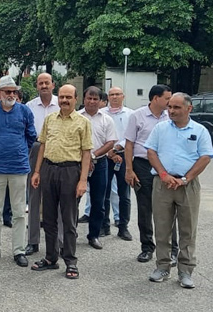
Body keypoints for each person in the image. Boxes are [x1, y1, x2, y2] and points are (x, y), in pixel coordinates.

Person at [144, 93, 213, 289]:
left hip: (187, 185)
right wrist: (164, 175)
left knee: (187, 229)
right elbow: (151, 151)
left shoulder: (200, 131)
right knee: (162, 227)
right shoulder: (160, 128)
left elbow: (205, 157)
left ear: (189, 108)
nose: (171, 111)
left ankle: (185, 271)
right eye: (170, 107)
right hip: (162, 182)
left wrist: (185, 179)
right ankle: (162, 267)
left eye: (176, 107)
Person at [30, 84, 92, 279]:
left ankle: (71, 261)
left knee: (69, 219)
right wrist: (37, 171)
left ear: (76, 99)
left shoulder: (83, 122)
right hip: (49, 169)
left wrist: (83, 181)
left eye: (68, 97)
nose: (64, 100)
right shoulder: (50, 119)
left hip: (70, 172)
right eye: (62, 97)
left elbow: (86, 153)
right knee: (48, 218)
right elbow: (43, 146)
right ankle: (50, 258)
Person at [0, 77, 37, 267]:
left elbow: (31, 135)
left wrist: (18, 150)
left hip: (19, 167)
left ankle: (18, 250)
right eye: (7, 91)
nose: (11, 95)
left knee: (19, 211)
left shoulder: (25, 111)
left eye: (14, 92)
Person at [124, 85, 178, 264]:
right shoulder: (137, 116)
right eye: (167, 99)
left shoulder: (170, 117)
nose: (170, 103)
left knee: (169, 208)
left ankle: (172, 249)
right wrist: (129, 169)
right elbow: (129, 144)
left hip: (165, 166)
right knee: (145, 208)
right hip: (142, 166)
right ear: (156, 98)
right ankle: (147, 247)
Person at [24, 73, 59, 256]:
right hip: (36, 149)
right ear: (37, 86)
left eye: (47, 82)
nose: (44, 85)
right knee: (34, 196)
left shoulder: (61, 103)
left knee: (57, 198)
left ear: (53, 85)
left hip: (57, 151)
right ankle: (33, 241)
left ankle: (59, 241)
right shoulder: (29, 106)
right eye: (40, 83)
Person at [78, 86, 117, 250]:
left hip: (100, 163)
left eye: (95, 99)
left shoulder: (106, 119)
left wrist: (93, 156)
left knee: (98, 201)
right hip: (78, 163)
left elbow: (111, 142)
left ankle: (93, 235)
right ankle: (69, 233)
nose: (92, 101)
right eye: (89, 98)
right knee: (73, 200)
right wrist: (84, 158)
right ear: (84, 99)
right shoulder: (76, 117)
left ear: (100, 101)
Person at [100, 87, 134, 241]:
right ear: (108, 97)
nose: (114, 97)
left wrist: (116, 148)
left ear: (123, 96)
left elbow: (131, 136)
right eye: (111, 94)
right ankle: (104, 225)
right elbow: (100, 135)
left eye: (117, 94)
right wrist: (109, 152)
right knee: (103, 193)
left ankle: (123, 227)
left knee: (124, 194)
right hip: (105, 156)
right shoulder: (102, 113)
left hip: (123, 156)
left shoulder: (130, 114)